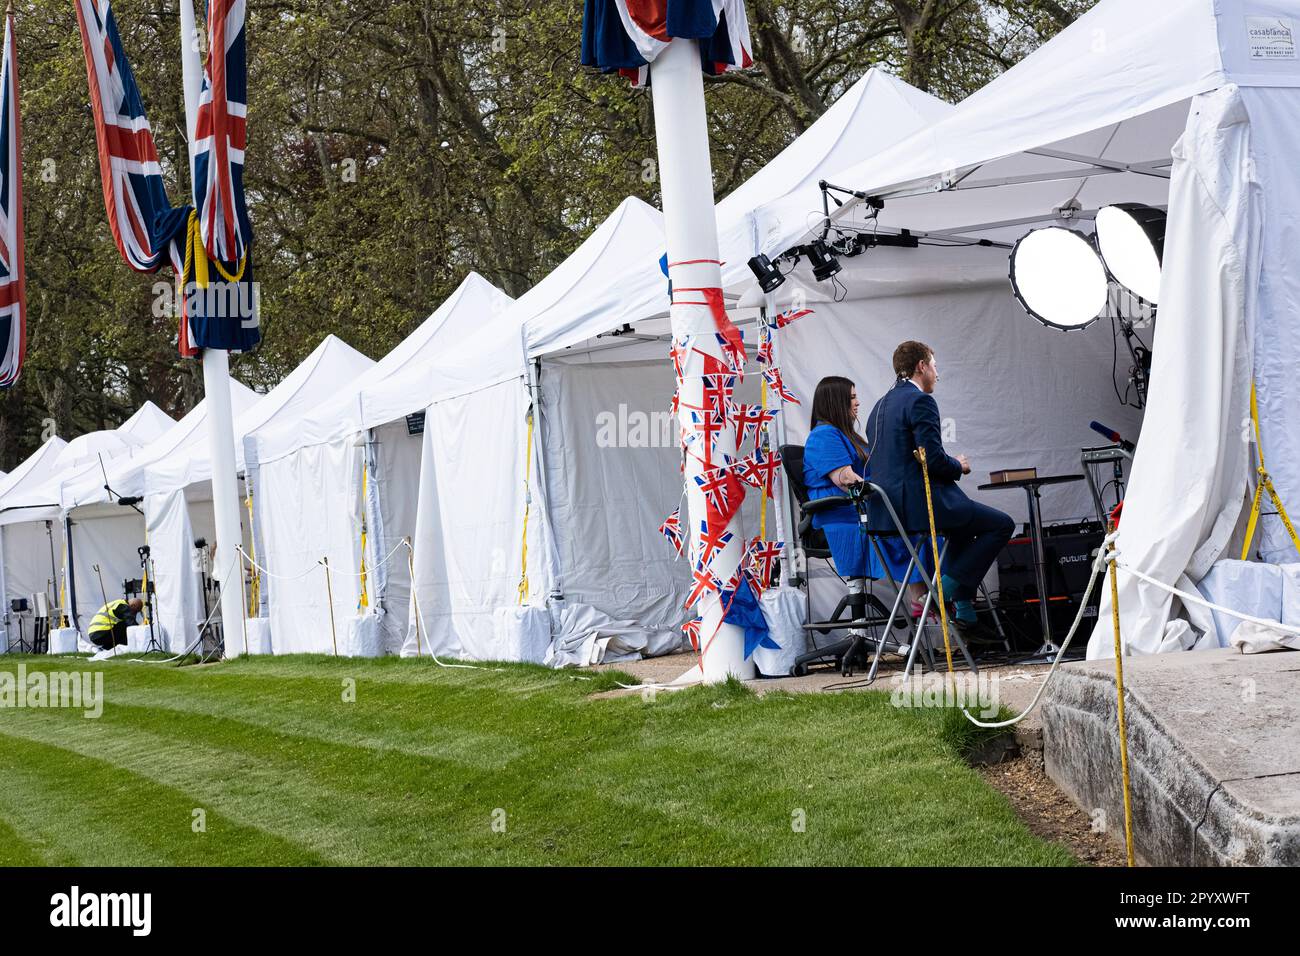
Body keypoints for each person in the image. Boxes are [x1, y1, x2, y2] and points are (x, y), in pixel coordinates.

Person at [864, 341, 1014, 634]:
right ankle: (945, 589)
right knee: (1001, 525)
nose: (937, 374)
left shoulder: (879, 405)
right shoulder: (920, 401)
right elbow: (931, 460)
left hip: (885, 512)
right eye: (934, 366)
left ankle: (964, 604)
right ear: (921, 366)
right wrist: (958, 465)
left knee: (962, 526)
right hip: (917, 508)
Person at [802, 376, 932, 608]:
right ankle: (920, 600)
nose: (858, 402)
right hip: (841, 519)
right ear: (836, 401)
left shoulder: (849, 436)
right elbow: (845, 479)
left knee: (916, 525)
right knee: (910, 530)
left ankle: (925, 598)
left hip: (859, 512)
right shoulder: (824, 435)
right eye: (852, 397)